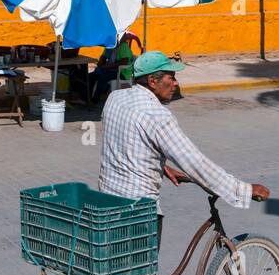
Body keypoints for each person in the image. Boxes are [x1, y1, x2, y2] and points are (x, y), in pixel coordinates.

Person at [99, 52, 269, 250]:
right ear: (153, 81)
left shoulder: (115, 98)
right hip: (139, 213)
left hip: (108, 202)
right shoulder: (157, 116)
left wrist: (161, 167)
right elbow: (194, 162)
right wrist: (243, 190)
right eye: (171, 78)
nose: (176, 84)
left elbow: (124, 141)